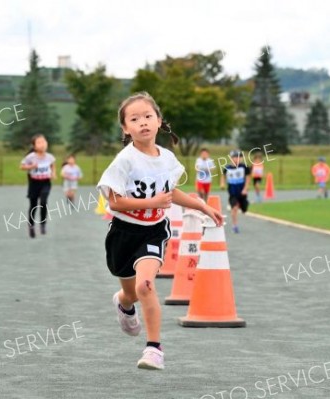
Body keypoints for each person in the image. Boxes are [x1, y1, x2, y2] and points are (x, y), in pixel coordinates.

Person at [97, 92, 223, 371]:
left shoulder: (167, 158)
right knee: (130, 293)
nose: (142, 122)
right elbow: (113, 200)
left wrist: (200, 205)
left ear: (158, 121)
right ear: (125, 128)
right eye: (134, 118)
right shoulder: (124, 161)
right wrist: (149, 202)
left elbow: (171, 192)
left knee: (146, 286)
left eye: (147, 116)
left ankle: (154, 349)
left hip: (153, 231)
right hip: (122, 233)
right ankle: (123, 304)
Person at [19, 134, 56, 238]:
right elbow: (21, 166)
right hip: (34, 183)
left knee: (44, 202)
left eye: (44, 142)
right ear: (34, 146)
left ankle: (43, 224)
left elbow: (53, 165)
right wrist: (31, 166)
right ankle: (31, 225)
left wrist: (53, 173)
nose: (42, 144)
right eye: (39, 142)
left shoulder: (49, 157)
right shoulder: (31, 157)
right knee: (33, 205)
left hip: (46, 182)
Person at [220, 150, 250, 233]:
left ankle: (242, 205)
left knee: (244, 209)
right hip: (232, 193)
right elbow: (223, 176)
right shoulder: (227, 168)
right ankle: (235, 225)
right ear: (231, 158)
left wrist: (245, 189)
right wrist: (222, 184)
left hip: (242, 192)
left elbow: (248, 179)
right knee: (235, 208)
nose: (237, 159)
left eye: (239, 157)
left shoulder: (244, 167)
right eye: (235, 157)